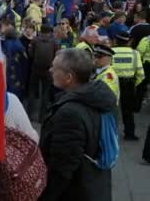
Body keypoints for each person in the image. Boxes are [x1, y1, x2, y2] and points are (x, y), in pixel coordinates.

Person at [39, 48, 116, 201]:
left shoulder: (69, 113)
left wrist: (45, 196)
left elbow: (62, 168)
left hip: (74, 192)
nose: (50, 70)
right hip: (94, 185)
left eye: (55, 68)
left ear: (69, 77)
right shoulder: (96, 97)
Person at [112, 32, 145, 140]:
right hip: (128, 84)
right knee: (128, 110)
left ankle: (110, 134)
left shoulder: (111, 52)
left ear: (116, 41)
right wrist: (134, 84)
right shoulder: (135, 54)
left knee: (111, 109)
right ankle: (129, 133)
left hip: (113, 83)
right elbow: (140, 73)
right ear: (129, 41)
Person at [28, 24, 60, 122]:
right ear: (49, 32)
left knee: (32, 91)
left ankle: (29, 115)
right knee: (45, 93)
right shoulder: (54, 42)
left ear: (40, 31)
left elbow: (30, 53)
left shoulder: (35, 40)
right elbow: (57, 55)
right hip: (48, 71)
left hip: (36, 69)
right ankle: (42, 117)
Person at [0, 17, 28, 100]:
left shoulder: (7, 44)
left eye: (2, 26)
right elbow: (25, 64)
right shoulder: (17, 43)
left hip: (10, 78)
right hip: (16, 79)